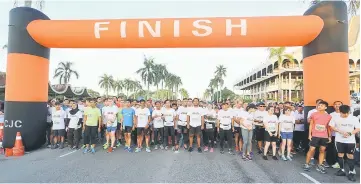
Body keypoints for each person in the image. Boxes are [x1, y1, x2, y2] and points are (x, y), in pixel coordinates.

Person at [329, 105, 360, 182]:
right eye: (343, 113)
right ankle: (342, 170)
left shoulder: (354, 118)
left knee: (350, 156)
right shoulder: (335, 118)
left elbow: (358, 128)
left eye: (346, 113)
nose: (345, 115)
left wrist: (350, 133)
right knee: (340, 155)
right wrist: (340, 131)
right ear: (340, 112)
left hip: (350, 141)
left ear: (349, 112)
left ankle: (351, 172)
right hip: (339, 140)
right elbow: (331, 126)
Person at [303, 101, 332, 174]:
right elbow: (311, 125)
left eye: (321, 105)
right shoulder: (313, 114)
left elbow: (328, 127)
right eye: (319, 105)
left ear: (325, 107)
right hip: (315, 135)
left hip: (324, 136)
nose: (319, 106)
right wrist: (310, 134)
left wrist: (329, 136)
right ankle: (307, 164)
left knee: (322, 150)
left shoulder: (328, 116)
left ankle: (320, 165)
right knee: (312, 149)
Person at [329, 101, 343, 169]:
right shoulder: (331, 114)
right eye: (336, 104)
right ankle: (336, 162)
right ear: (333, 106)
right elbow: (330, 125)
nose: (337, 105)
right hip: (334, 135)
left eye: (339, 104)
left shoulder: (345, 113)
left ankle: (342, 163)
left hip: (343, 135)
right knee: (335, 149)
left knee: (342, 150)